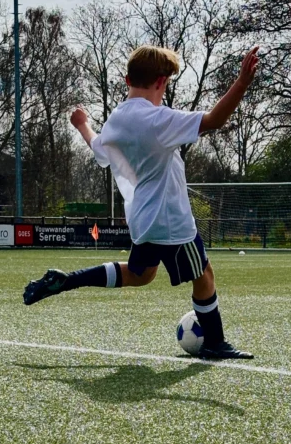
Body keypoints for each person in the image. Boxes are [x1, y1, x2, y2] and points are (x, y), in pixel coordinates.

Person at [23, 44, 260, 360]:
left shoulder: (117, 121)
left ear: (126, 80)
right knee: (204, 275)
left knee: (141, 275)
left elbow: (99, 148)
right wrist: (242, 82)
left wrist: (82, 124)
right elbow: (214, 119)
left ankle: (67, 281)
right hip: (171, 219)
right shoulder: (158, 120)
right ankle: (215, 342)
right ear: (161, 81)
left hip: (143, 219)